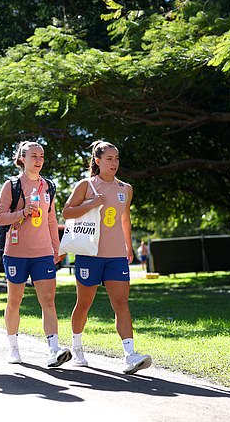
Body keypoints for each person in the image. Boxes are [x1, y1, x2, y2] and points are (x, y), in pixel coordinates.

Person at [61, 141, 152, 374]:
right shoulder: (87, 185)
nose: (114, 163)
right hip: (89, 255)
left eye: (117, 158)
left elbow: (125, 219)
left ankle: (130, 355)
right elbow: (67, 212)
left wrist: (128, 246)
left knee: (121, 303)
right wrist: (92, 203)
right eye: (109, 158)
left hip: (116, 256)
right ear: (98, 161)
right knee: (84, 304)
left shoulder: (125, 188)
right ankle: (77, 347)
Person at [0, 141, 71, 367]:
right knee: (14, 301)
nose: (38, 160)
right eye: (33, 156)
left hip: (43, 253)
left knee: (48, 300)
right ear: (22, 159)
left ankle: (54, 349)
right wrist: (21, 213)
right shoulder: (12, 185)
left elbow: (51, 219)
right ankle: (13, 349)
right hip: (17, 252)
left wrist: (57, 247)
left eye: (41, 156)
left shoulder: (48, 186)